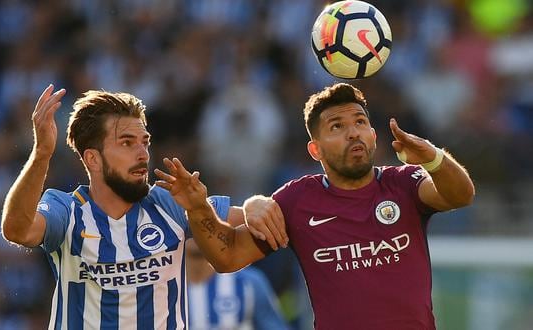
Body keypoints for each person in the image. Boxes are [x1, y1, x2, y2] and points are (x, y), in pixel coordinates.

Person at [154, 82, 475, 330]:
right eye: (337, 126)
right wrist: (198, 208)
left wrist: (433, 158)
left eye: (360, 122)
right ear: (315, 149)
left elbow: (461, 195)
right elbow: (229, 256)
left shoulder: (403, 184)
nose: (353, 133)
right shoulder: (297, 201)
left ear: (374, 135)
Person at [0, 84, 280, 329]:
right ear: (93, 159)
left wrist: (255, 203)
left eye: (144, 142)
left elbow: (246, 217)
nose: (142, 153)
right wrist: (42, 155)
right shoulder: (67, 210)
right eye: (127, 143)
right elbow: (17, 230)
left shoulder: (168, 203)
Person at [185, 239, 288, 330]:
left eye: (199, 222)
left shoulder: (249, 283)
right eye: (185, 220)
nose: (193, 229)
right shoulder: (169, 289)